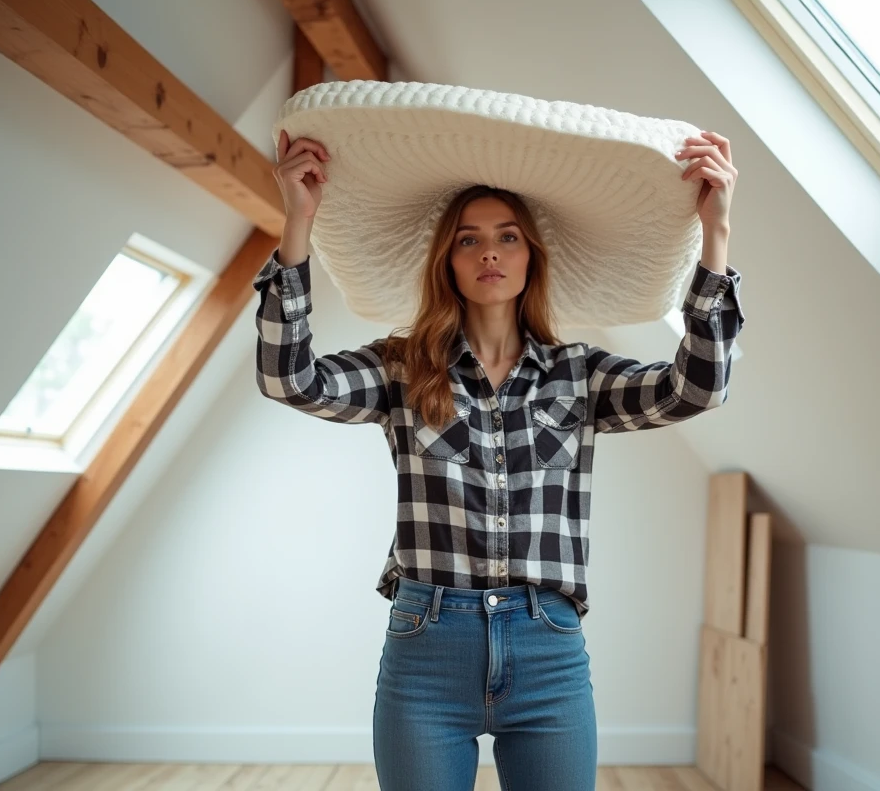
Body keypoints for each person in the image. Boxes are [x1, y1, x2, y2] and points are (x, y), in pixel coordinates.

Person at [252, 128, 744, 791]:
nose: (490, 252)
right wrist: (298, 221)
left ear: (531, 256)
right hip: (427, 651)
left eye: (508, 236)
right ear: (448, 262)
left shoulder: (579, 374)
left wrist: (716, 233)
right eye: (469, 239)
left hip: (548, 651)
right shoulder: (401, 368)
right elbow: (289, 379)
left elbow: (698, 388)